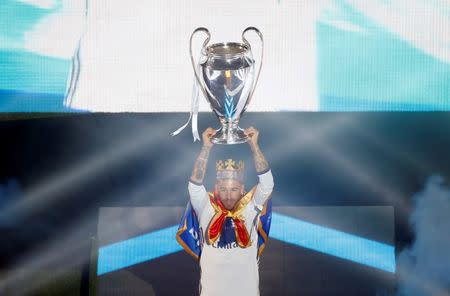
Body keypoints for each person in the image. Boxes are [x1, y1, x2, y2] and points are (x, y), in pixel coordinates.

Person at [177, 126, 274, 296]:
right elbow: (194, 185)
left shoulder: (251, 206)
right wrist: (206, 147)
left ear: (242, 189)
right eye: (224, 189)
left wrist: (254, 146)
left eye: (234, 189)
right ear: (216, 188)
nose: (229, 196)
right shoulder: (205, 206)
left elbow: (267, 184)